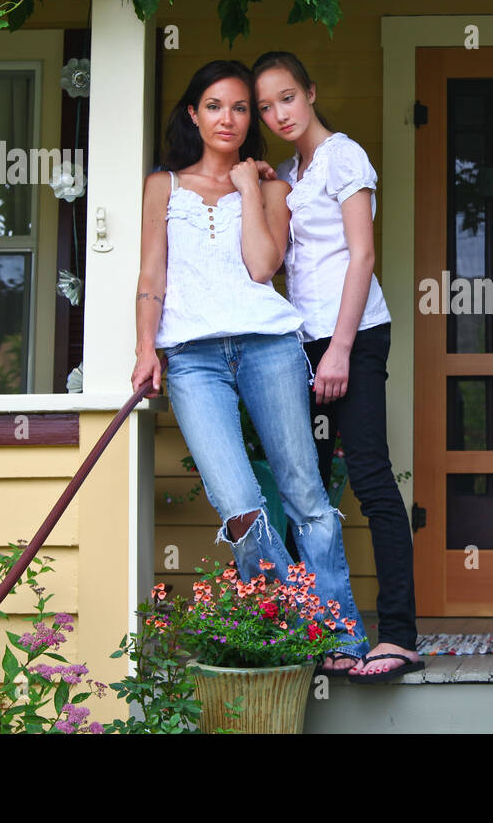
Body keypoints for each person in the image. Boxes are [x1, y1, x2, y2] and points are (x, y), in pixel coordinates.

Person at [130, 59, 367, 665]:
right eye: (214, 105)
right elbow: (151, 274)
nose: (228, 118)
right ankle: (309, 623)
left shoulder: (271, 188)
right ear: (193, 113)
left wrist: (246, 190)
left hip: (268, 347)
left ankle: (340, 641)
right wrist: (143, 348)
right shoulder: (163, 186)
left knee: (305, 494)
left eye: (241, 107)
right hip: (191, 358)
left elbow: (264, 267)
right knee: (239, 504)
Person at [250, 50, 423, 684]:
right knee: (308, 491)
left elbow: (363, 254)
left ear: (311, 92)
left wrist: (341, 350)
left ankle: (399, 636)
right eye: (266, 106)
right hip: (302, 342)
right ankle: (326, 633)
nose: (278, 113)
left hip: (354, 336)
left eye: (287, 98)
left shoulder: (344, 155)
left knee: (372, 477)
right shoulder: (294, 171)